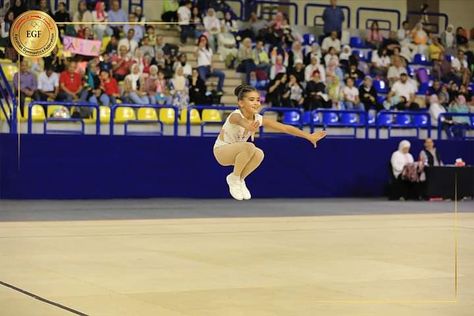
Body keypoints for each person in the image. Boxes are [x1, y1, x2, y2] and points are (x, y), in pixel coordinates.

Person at [213, 84, 326, 200]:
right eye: (251, 100)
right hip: (221, 151)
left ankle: (239, 179)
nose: (256, 103)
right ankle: (234, 178)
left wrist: (308, 136)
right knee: (249, 147)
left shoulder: (258, 118)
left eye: (258, 100)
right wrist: (249, 126)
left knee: (259, 154)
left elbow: (284, 128)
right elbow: (241, 121)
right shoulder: (235, 115)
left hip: (238, 152)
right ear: (241, 103)